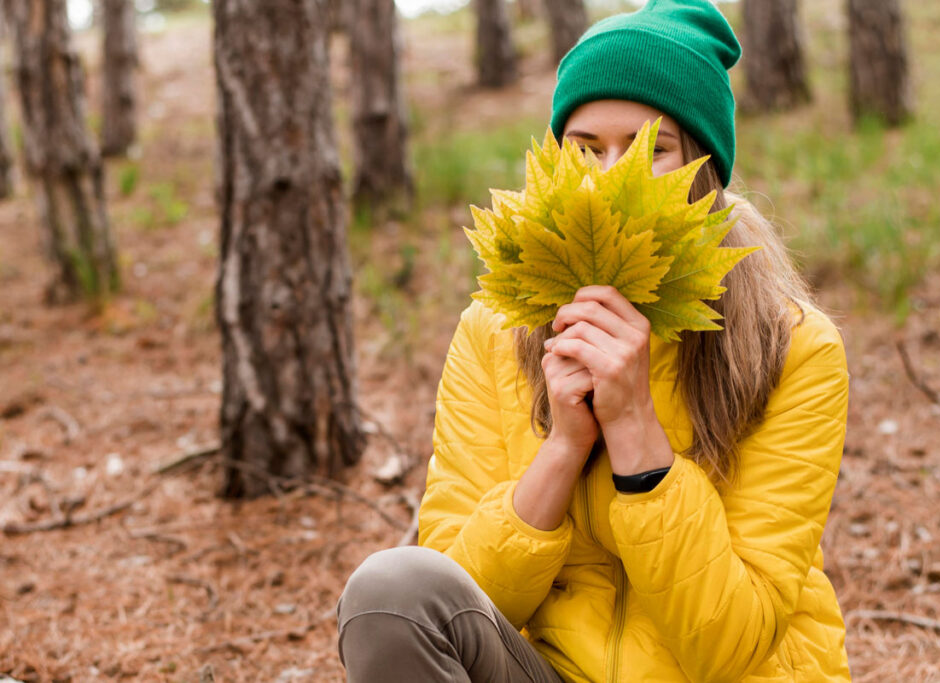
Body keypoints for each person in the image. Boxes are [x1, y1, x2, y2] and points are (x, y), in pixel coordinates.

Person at [336, 1, 851, 681]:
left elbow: (730, 643)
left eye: (651, 148)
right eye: (585, 148)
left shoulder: (796, 348)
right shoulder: (493, 332)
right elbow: (453, 605)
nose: (612, 175)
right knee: (392, 591)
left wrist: (638, 432)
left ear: (706, 171)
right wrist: (565, 445)